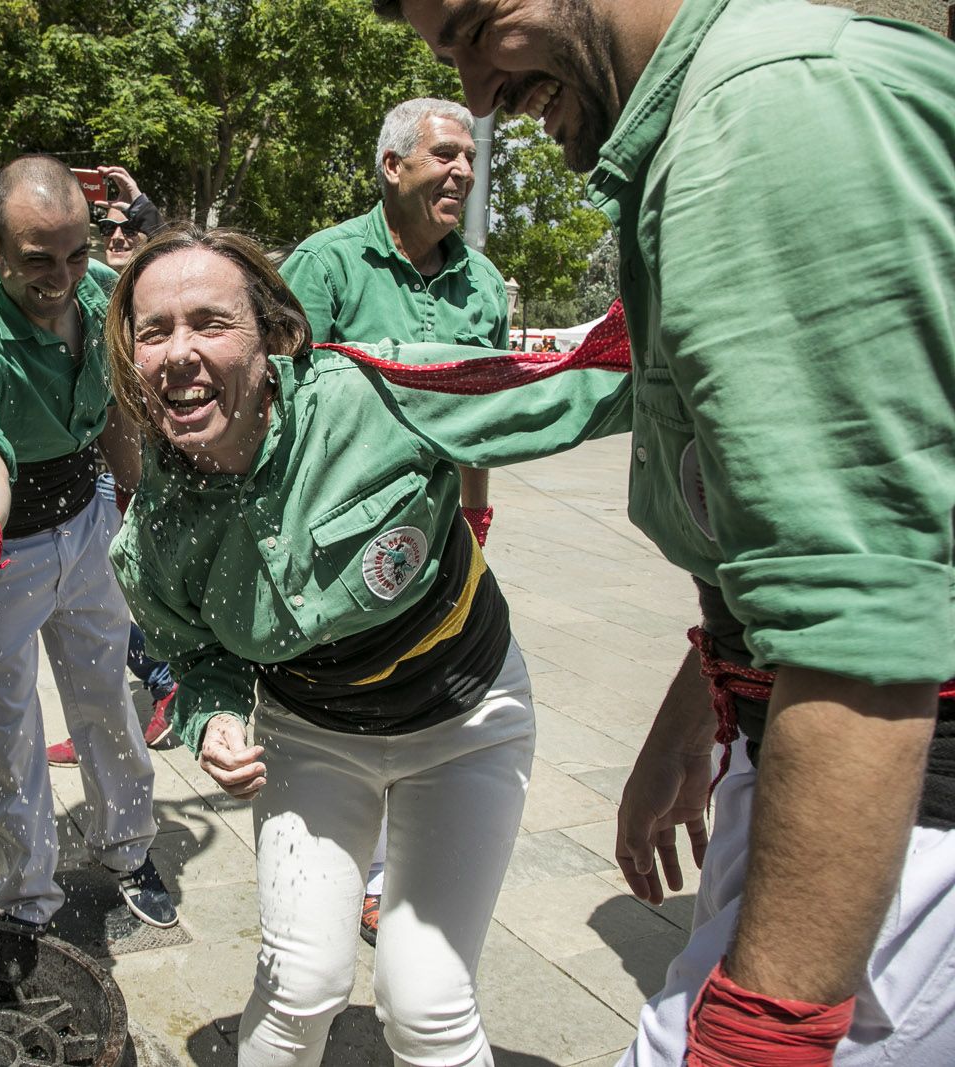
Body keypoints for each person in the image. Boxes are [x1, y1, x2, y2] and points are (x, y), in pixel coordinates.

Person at [375, 1, 955, 1063]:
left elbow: (863, 613)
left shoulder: (768, 116)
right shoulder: (721, 116)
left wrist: (762, 1031)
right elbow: (801, 523)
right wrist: (699, 710)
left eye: (475, 28)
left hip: (902, 814)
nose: (478, 93)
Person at [107, 226, 629, 1067]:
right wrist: (210, 719)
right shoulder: (151, 536)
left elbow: (571, 385)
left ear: (272, 335)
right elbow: (197, 658)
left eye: (210, 322)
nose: (179, 352)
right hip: (310, 739)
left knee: (425, 1004)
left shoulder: (379, 392)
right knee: (298, 988)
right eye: (154, 330)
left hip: (466, 723)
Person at [0, 153, 177, 931]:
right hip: (2, 552)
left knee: (107, 705)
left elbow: (122, 395)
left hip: (90, 523)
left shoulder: (96, 294)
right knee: (8, 730)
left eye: (76, 254)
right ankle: (28, 896)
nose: (60, 277)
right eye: (37, 260)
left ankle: (128, 846)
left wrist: (140, 507)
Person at [280, 95, 510, 946]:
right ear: (393, 166)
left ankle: (383, 880)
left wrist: (478, 514)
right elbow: (283, 408)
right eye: (444, 155)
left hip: (437, 538)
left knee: (423, 695)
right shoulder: (327, 265)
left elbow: (483, 413)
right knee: (344, 701)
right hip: (336, 541)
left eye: (469, 159)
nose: (461, 170)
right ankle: (326, 870)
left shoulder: (482, 282)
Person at [45, 165, 179, 769]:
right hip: (95, 474)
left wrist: (146, 214)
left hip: (153, 470)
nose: (119, 239)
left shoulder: (158, 297)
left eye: (132, 232)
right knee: (94, 602)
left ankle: (165, 681)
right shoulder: (91, 293)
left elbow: (179, 258)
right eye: (111, 232)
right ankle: (110, 709)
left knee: (121, 597)